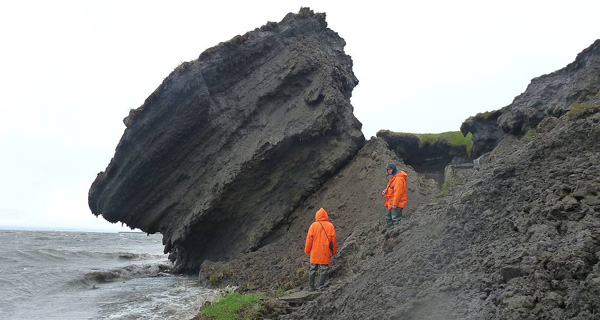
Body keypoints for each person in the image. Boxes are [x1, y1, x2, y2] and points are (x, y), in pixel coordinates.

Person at [304, 207, 337, 291]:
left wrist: (307, 250)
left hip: (315, 252)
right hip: (325, 252)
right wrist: (334, 252)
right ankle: (320, 286)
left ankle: (311, 287)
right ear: (326, 216)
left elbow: (309, 239)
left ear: (317, 216)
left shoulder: (313, 226)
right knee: (324, 269)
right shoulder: (330, 226)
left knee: (312, 269)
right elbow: (333, 241)